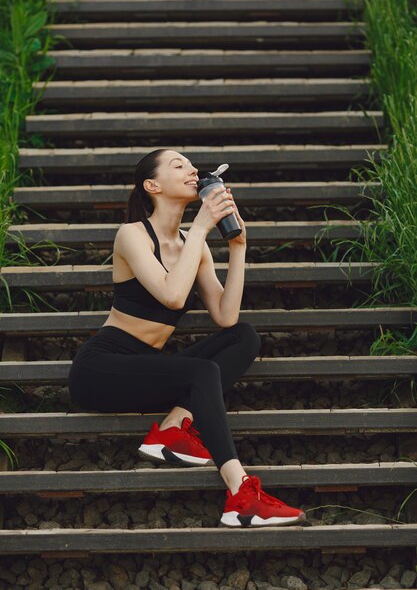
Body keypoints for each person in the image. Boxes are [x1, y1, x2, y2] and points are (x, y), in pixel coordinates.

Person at [68, 148, 306, 527]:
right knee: (201, 372)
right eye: (179, 165)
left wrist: (238, 246)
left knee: (244, 337)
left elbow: (226, 317)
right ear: (153, 186)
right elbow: (172, 295)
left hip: (148, 367)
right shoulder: (132, 235)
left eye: (194, 166)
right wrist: (200, 229)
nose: (193, 171)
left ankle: (172, 427)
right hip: (101, 369)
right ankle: (240, 493)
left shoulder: (193, 244)